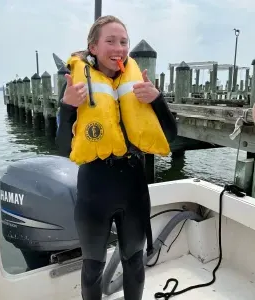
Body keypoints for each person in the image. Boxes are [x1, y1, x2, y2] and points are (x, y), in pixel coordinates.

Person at [55, 15, 177, 300]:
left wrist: (157, 100)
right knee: (92, 267)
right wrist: (66, 107)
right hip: (93, 192)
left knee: (134, 262)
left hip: (133, 188)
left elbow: (169, 136)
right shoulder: (77, 87)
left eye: (124, 42)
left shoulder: (139, 85)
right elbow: (62, 148)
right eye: (110, 41)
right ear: (93, 48)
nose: (119, 48)